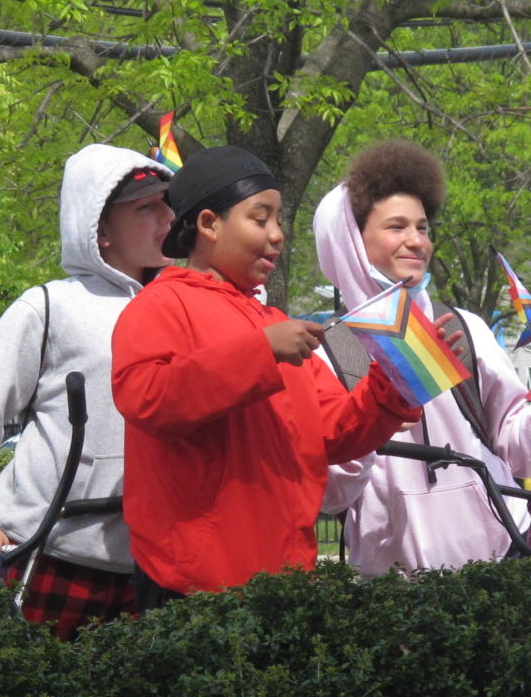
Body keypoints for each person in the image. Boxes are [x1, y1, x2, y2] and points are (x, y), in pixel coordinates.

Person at [109, 145, 421, 609]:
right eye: (261, 219)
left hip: (290, 569)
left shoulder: (284, 320)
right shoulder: (164, 304)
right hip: (201, 580)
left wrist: (398, 383)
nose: (414, 242)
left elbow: (332, 425)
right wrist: (262, 353)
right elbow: (147, 398)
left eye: (422, 227)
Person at [313, 140, 531, 578]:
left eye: (423, 228)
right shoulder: (334, 351)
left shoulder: (463, 326)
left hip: (505, 558)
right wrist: (373, 419)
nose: (416, 241)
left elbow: (518, 453)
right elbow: (332, 493)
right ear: (351, 238)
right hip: (394, 586)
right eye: (396, 226)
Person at [0, 143, 175, 638]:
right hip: (48, 557)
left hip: (158, 567)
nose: (168, 217)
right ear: (99, 230)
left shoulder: (186, 307)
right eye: (146, 207)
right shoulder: (48, 307)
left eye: (168, 203)